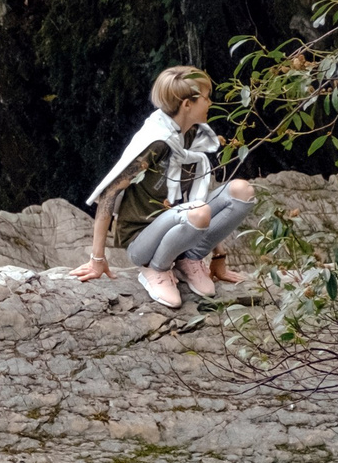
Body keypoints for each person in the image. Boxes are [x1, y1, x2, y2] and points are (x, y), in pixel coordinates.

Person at [77, 66, 259, 308]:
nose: (210, 103)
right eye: (206, 98)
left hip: (180, 222)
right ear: (187, 105)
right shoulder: (158, 143)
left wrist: (219, 255)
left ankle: (189, 260)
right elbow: (110, 192)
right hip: (142, 240)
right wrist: (97, 259)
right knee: (198, 212)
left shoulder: (191, 135)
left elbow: (199, 194)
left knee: (241, 191)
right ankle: (156, 270)